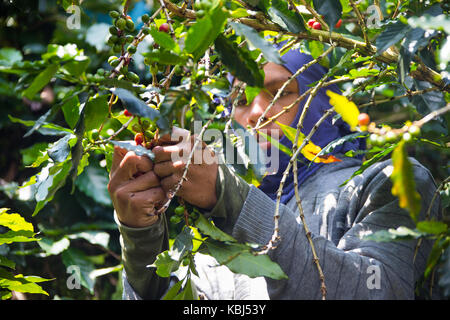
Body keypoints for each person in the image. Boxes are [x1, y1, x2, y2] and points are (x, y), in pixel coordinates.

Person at [107, 48, 442, 300]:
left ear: (324, 105)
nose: (255, 114)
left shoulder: (389, 181)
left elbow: (376, 292)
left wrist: (231, 197)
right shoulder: (209, 230)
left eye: (279, 93)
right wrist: (141, 237)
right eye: (240, 100)